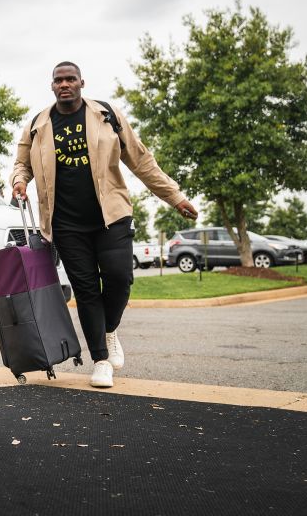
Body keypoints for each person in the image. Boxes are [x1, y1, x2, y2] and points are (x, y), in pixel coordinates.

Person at [10, 62, 199, 389]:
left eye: (70, 79)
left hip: (111, 217)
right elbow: (21, 164)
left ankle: (109, 329)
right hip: (65, 224)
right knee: (85, 292)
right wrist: (18, 181)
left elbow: (140, 160)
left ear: (82, 82)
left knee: (120, 278)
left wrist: (175, 197)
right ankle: (100, 359)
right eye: (58, 80)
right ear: (52, 86)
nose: (64, 84)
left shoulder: (106, 115)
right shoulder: (39, 124)